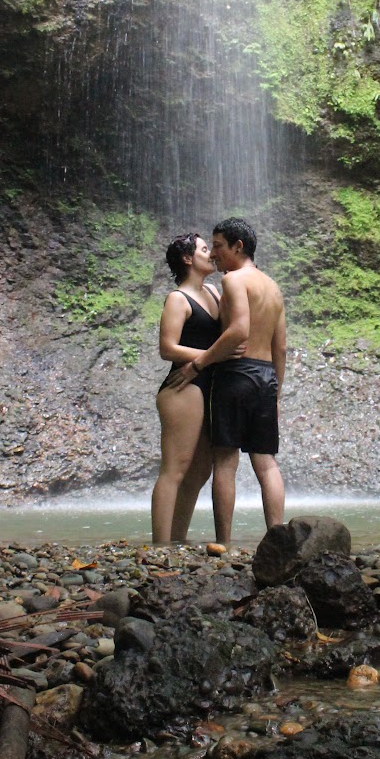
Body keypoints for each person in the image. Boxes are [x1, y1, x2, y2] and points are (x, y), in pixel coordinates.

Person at [172, 217, 286, 544]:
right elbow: (281, 346)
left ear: (238, 246)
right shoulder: (273, 287)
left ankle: (224, 543)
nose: (216, 254)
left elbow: (238, 331)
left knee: (225, 461)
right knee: (266, 464)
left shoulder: (235, 280)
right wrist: (277, 390)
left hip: (236, 375)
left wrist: (199, 363)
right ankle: (277, 540)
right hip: (266, 377)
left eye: (219, 246)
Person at [150, 232, 224, 544]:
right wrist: (213, 356)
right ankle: (160, 545)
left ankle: (177, 539)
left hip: (207, 384)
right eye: (205, 249)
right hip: (183, 386)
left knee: (200, 470)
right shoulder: (178, 299)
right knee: (174, 469)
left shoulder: (214, 291)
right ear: (187, 258)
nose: (212, 254)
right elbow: (167, 348)